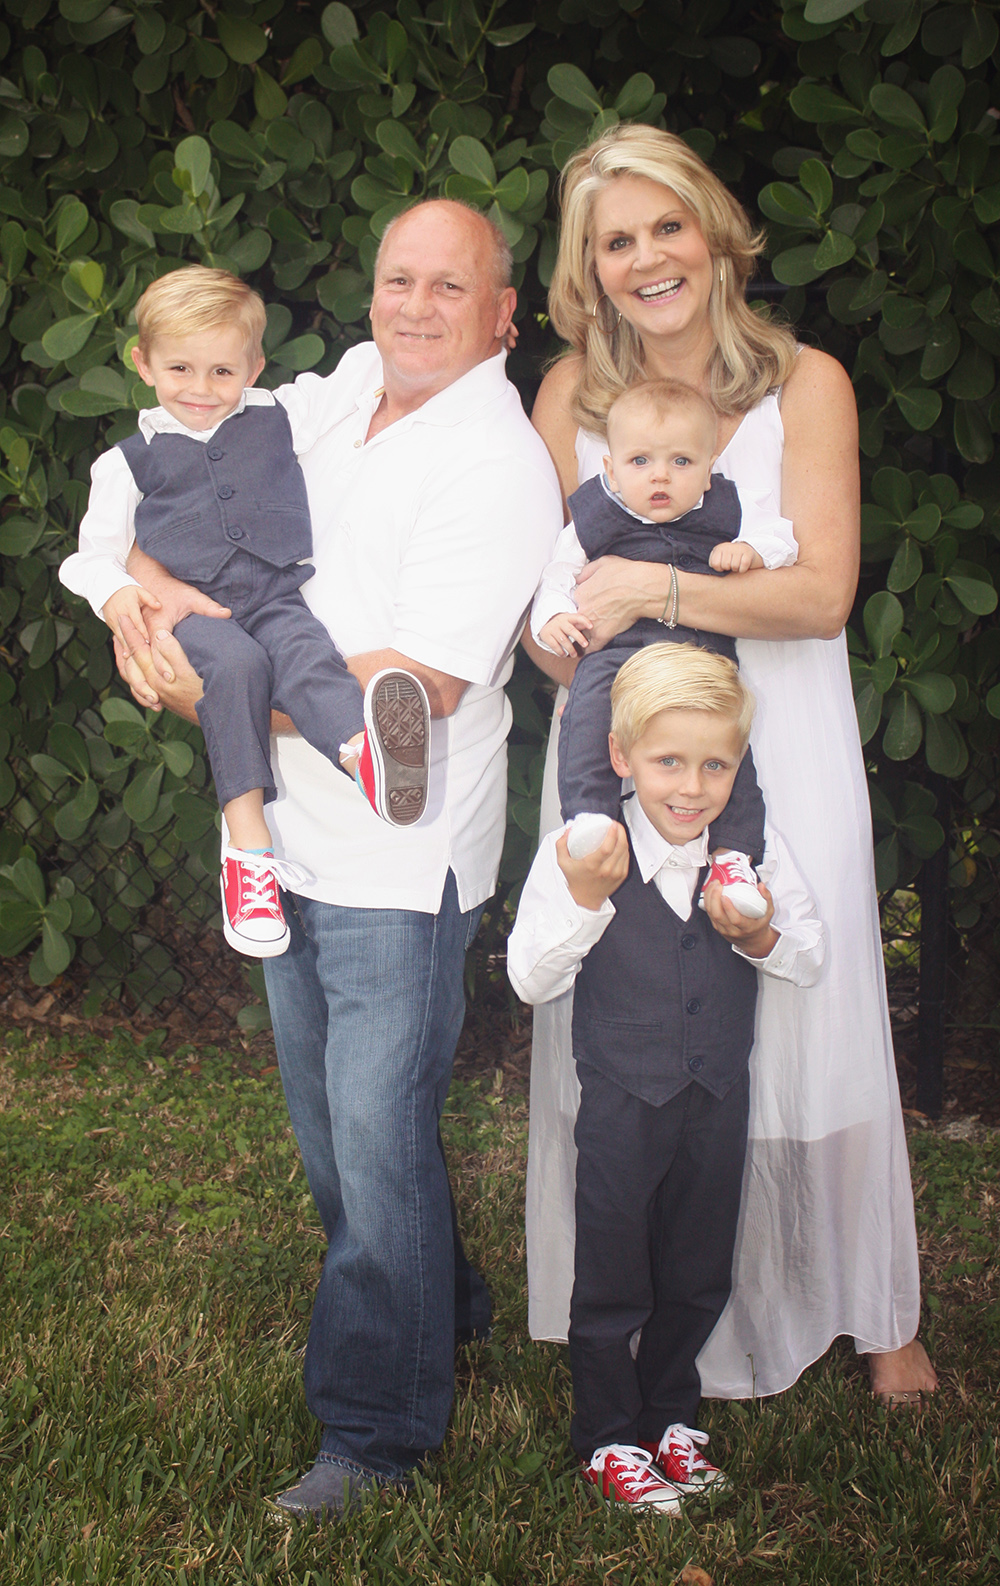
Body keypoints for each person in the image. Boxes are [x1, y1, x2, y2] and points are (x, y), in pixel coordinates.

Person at [112, 200, 563, 1515]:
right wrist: (145, 596)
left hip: (393, 863)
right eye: (397, 278)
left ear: (502, 317)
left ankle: (376, 1431)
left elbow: (405, 702)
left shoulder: (498, 467)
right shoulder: (342, 389)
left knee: (370, 1148)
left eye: (449, 287)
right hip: (283, 834)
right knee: (340, 1146)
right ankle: (447, 1300)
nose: (415, 306)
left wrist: (216, 688)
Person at [523, 123, 937, 1405]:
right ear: (586, 272)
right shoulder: (564, 403)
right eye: (614, 241)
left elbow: (818, 595)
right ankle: (626, 1303)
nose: (647, 258)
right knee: (635, 999)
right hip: (616, 751)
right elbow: (554, 609)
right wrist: (578, 654)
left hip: (779, 732)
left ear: (714, 232)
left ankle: (869, 1309)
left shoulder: (803, 384)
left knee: (802, 994)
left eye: (666, 226)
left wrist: (662, 587)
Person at [509, 643, 824, 1512]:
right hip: (619, 1104)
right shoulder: (584, 853)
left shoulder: (749, 857)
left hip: (717, 1100)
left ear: (738, 764)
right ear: (621, 758)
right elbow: (529, 979)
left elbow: (807, 955)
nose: (692, 787)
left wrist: (754, 935)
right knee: (612, 1274)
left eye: (716, 764)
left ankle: (670, 1416)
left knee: (696, 1265)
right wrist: (583, 900)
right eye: (668, 762)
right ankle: (608, 1436)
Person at [60, 265, 431, 960]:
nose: (201, 391)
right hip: (199, 610)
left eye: (223, 371)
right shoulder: (126, 464)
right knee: (236, 667)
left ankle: (365, 757)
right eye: (180, 369)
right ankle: (248, 855)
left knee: (306, 657)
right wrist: (120, 598)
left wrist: (446, 319)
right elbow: (87, 558)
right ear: (141, 364)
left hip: (273, 592)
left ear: (254, 366)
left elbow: (362, 371)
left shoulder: (277, 414)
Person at [532, 375, 796, 916]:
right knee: (585, 713)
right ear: (610, 469)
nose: (660, 475)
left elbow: (783, 537)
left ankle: (734, 857)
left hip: (703, 664)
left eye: (680, 462)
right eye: (640, 462)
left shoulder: (726, 508)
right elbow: (556, 575)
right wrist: (555, 616)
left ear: (708, 467)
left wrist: (751, 550)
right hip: (619, 658)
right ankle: (592, 818)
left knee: (727, 756)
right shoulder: (594, 518)